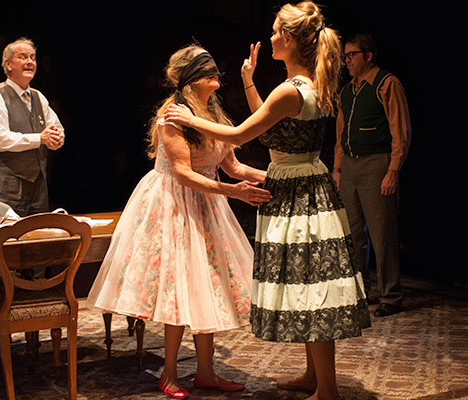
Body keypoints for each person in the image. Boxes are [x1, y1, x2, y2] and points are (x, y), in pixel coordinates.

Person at [165, 3, 370, 399]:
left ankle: (326, 389)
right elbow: (271, 125)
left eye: (276, 31)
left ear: (289, 39)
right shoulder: (310, 84)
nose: (271, 36)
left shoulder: (289, 89)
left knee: (313, 289)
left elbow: (241, 135)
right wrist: (248, 80)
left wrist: (189, 118)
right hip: (306, 183)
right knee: (308, 284)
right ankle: (313, 376)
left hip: (299, 191)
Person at [86, 44, 272, 399]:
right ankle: (169, 373)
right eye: (206, 69)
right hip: (174, 204)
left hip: (208, 203)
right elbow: (183, 174)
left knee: (211, 287)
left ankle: (205, 372)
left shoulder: (212, 114)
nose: (215, 73)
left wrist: (275, 176)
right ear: (191, 77)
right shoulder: (173, 116)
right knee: (179, 286)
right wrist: (233, 193)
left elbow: (232, 166)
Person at [332, 33, 412, 318]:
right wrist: (337, 168)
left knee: (382, 233)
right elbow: (341, 134)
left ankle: (390, 295)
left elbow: (399, 130)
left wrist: (393, 170)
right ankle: (358, 290)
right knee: (352, 233)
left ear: (368, 55)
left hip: (377, 164)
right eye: (345, 56)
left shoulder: (386, 84)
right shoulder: (346, 91)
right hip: (351, 166)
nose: (347, 61)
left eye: (351, 55)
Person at [0, 37, 64, 217]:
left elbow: (57, 129)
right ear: (8, 64)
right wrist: (40, 138)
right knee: (4, 241)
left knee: (38, 239)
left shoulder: (38, 96)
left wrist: (56, 139)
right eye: (23, 57)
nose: (30, 62)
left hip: (38, 187)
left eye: (33, 57)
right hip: (3, 187)